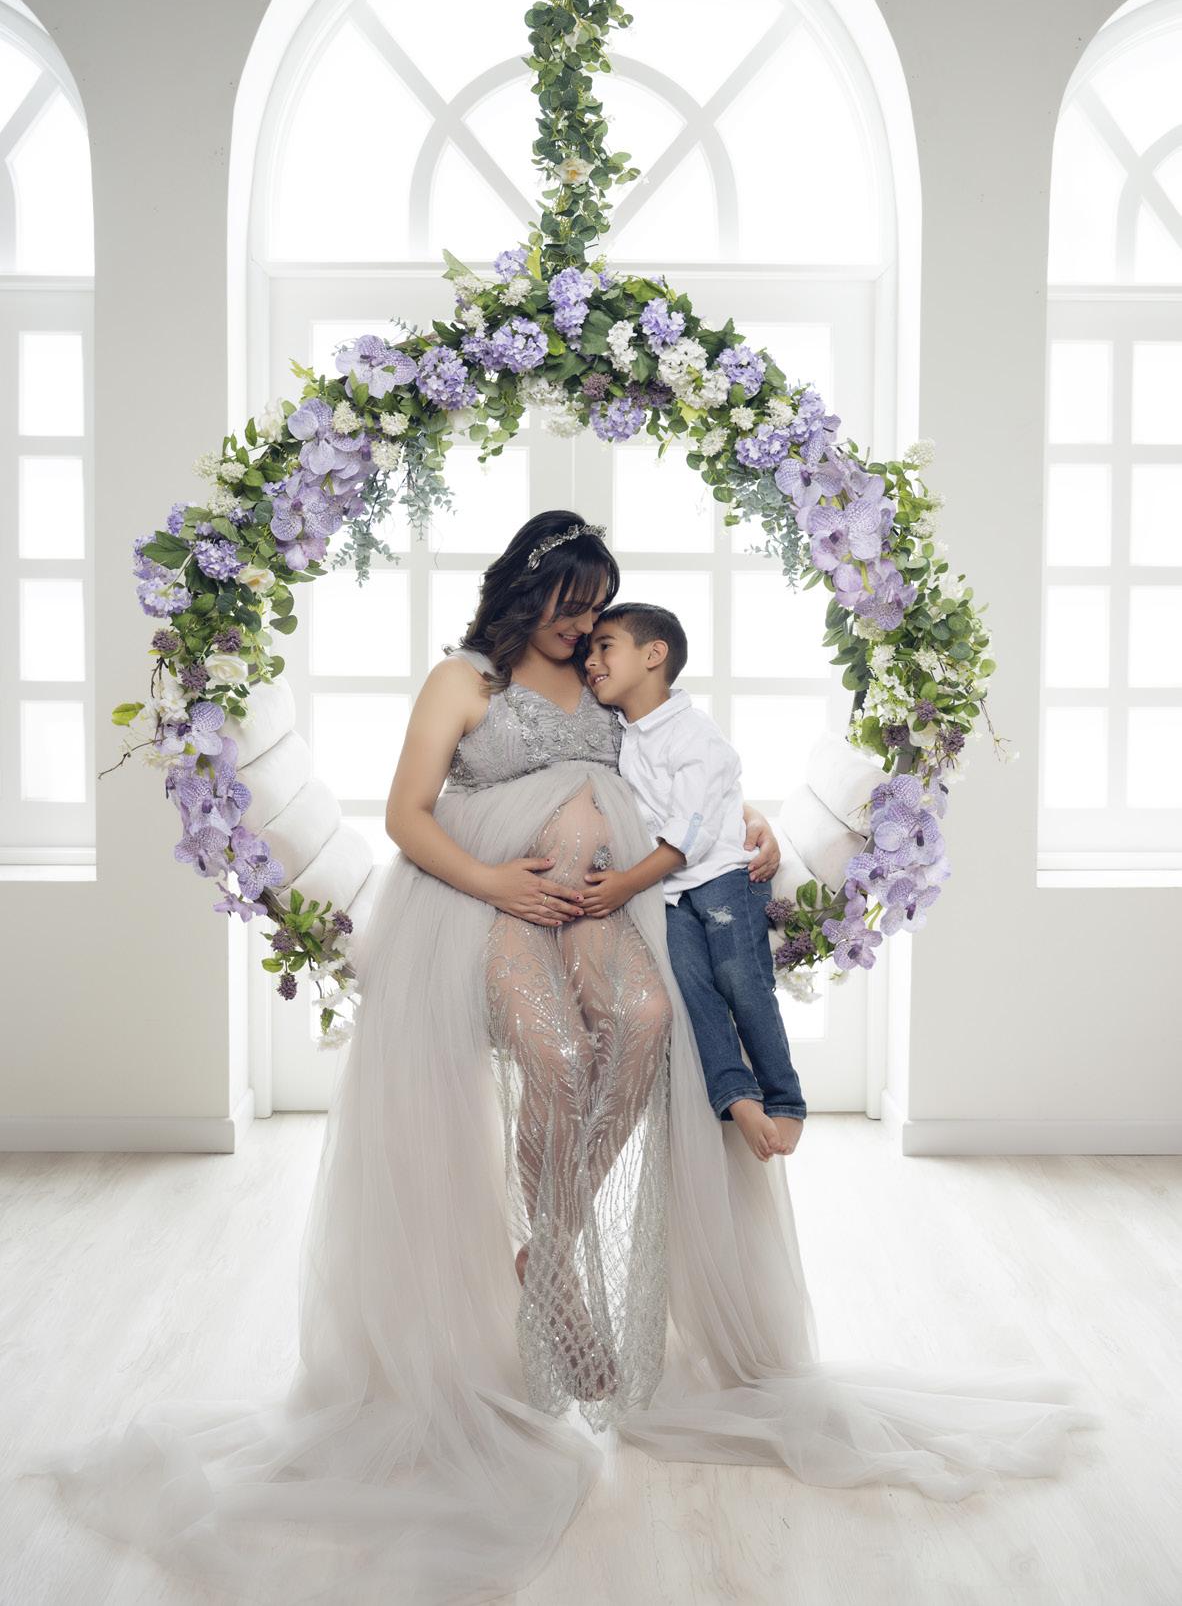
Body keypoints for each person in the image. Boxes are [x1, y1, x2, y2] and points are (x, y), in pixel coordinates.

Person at [25, 510, 1100, 1606]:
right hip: (488, 903)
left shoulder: (605, 687)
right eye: (569, 604)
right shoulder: (465, 682)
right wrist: (496, 881)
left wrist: (753, 818)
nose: (584, 626)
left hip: (595, 901)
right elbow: (405, 814)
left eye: (596, 610)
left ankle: (549, 1247)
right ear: (524, 589)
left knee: (644, 1021)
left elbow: (682, 758)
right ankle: (551, 1277)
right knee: (551, 1050)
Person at [580, 600, 807, 1163]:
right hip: (672, 892)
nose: (590, 660)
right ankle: (736, 1095)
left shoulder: (692, 734)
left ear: (653, 655)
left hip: (724, 876)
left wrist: (625, 884)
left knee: (740, 977)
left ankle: (785, 1096)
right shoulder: (625, 733)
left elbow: (691, 832)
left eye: (604, 646)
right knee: (690, 987)